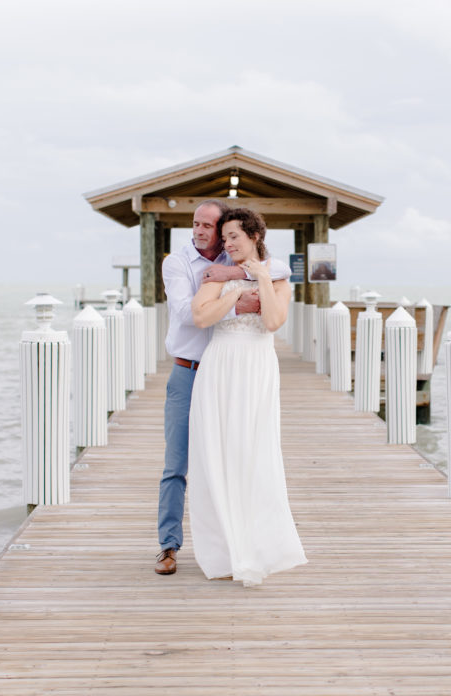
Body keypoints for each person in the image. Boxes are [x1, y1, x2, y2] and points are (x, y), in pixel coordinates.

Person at [156, 200, 290, 575]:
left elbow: (274, 269)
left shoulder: (241, 264)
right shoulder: (180, 264)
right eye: (195, 224)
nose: (201, 231)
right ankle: (168, 545)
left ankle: (244, 539)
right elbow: (189, 314)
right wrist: (235, 298)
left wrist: (245, 272)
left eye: (210, 227)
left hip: (245, 372)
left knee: (241, 455)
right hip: (193, 368)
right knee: (179, 461)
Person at [187, 207, 307, 586]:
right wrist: (235, 294)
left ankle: (256, 545)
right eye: (224, 238)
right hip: (220, 363)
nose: (228, 244)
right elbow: (201, 317)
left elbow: (272, 321)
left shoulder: (279, 277)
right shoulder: (217, 275)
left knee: (253, 451)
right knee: (216, 452)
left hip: (257, 367)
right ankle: (223, 552)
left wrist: (261, 280)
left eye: (234, 236)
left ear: (254, 235)